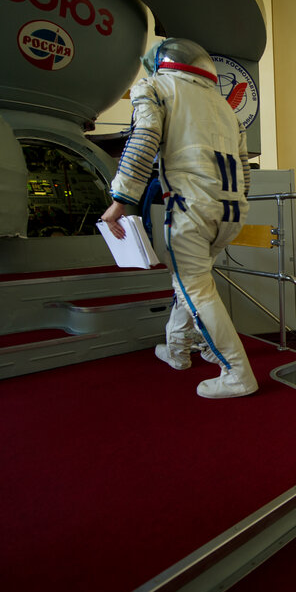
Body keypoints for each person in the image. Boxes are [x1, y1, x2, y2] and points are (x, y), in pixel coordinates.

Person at [100, 38, 257, 399]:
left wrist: (121, 200)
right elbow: (244, 170)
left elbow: (143, 139)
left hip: (190, 208)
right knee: (189, 283)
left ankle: (237, 372)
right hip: (230, 212)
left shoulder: (156, 86)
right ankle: (177, 349)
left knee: (195, 288)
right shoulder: (224, 106)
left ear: (161, 64)